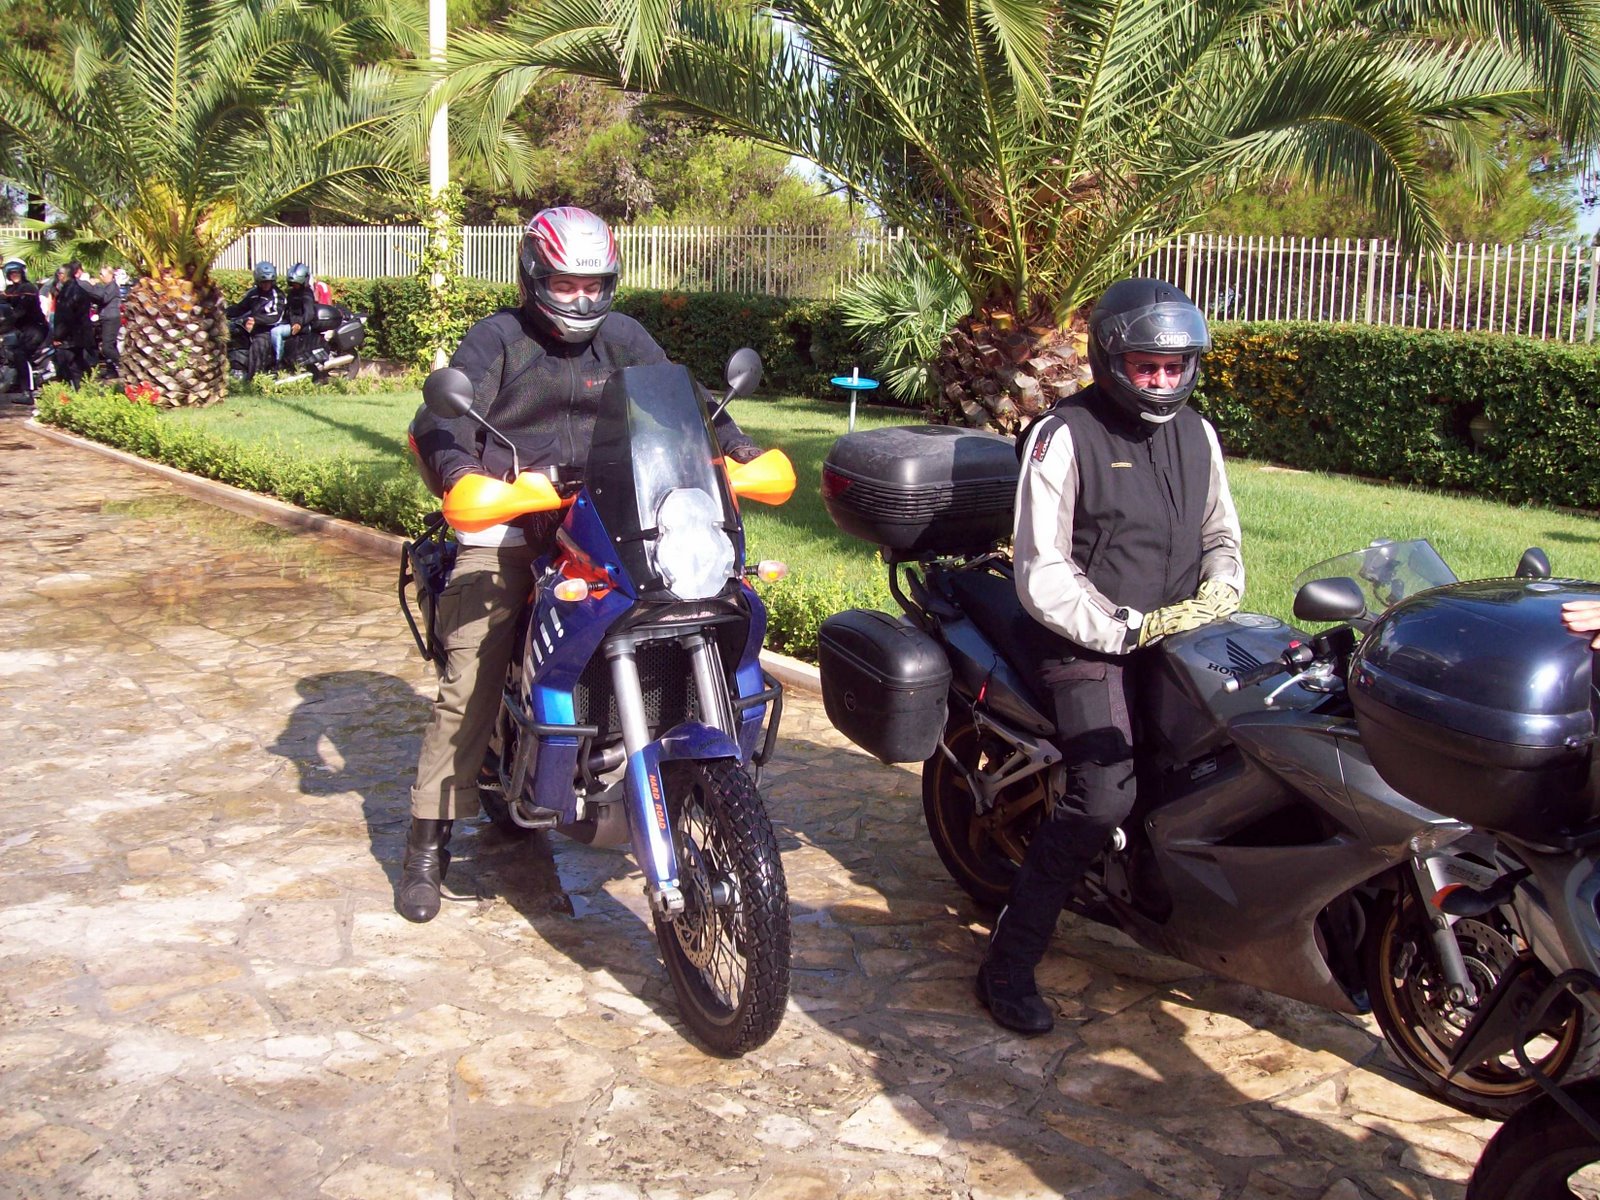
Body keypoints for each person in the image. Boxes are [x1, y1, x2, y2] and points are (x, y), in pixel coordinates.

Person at [401, 206, 763, 924]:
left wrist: (739, 448)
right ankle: (426, 842)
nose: (581, 299)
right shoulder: (498, 339)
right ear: (534, 276)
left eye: (594, 285)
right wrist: (462, 476)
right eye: (566, 284)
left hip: (609, 519)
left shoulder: (623, 336)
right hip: (513, 522)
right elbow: (438, 420)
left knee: (708, 601)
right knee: (473, 667)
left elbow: (685, 403)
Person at [978, 278, 1246, 1035]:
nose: (1161, 380)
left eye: (1174, 366)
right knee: (1101, 795)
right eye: (1145, 366)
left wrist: (1222, 588)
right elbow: (1042, 568)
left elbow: (1221, 533)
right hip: (1082, 642)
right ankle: (1007, 965)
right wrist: (1120, 628)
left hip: (1178, 630)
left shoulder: (1198, 434)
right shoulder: (1064, 435)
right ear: (1110, 359)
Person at [226, 261, 284, 377]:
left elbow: (276, 316)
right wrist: (221, 313)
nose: (266, 285)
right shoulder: (253, 294)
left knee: (259, 344)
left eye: (269, 282)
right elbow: (240, 308)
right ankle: (236, 370)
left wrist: (255, 320)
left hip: (268, 330)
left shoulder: (277, 294)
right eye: (263, 282)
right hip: (253, 328)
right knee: (233, 335)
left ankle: (255, 377)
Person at [50, 262, 98, 387]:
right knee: (79, 365)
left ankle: (76, 391)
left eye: (60, 274)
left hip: (70, 337)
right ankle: (84, 388)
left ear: (64, 275)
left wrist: (58, 336)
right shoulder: (78, 291)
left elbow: (65, 317)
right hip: (80, 334)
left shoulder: (67, 293)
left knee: (68, 367)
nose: (58, 276)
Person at [3, 259, 51, 366]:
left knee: (19, 354)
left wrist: (5, 322)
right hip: (21, 329)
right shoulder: (10, 289)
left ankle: (25, 377)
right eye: (11, 273)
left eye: (17, 272)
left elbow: (21, 310)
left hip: (35, 328)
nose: (14, 275)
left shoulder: (28, 287)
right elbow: (3, 300)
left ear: (22, 273)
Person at [80, 265, 123, 379]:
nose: (100, 276)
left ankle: (121, 364)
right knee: (109, 345)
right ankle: (111, 370)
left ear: (110, 275)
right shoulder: (106, 287)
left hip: (111, 318)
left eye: (102, 274)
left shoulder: (112, 287)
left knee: (107, 346)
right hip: (104, 317)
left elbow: (103, 298)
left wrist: (91, 287)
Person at [275, 262, 317, 367]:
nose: (294, 285)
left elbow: (309, 313)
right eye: (293, 283)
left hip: (304, 325)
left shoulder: (307, 294)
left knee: (276, 332)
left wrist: (299, 323)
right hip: (291, 323)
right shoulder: (292, 293)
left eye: (297, 283)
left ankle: (278, 363)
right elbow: (289, 310)